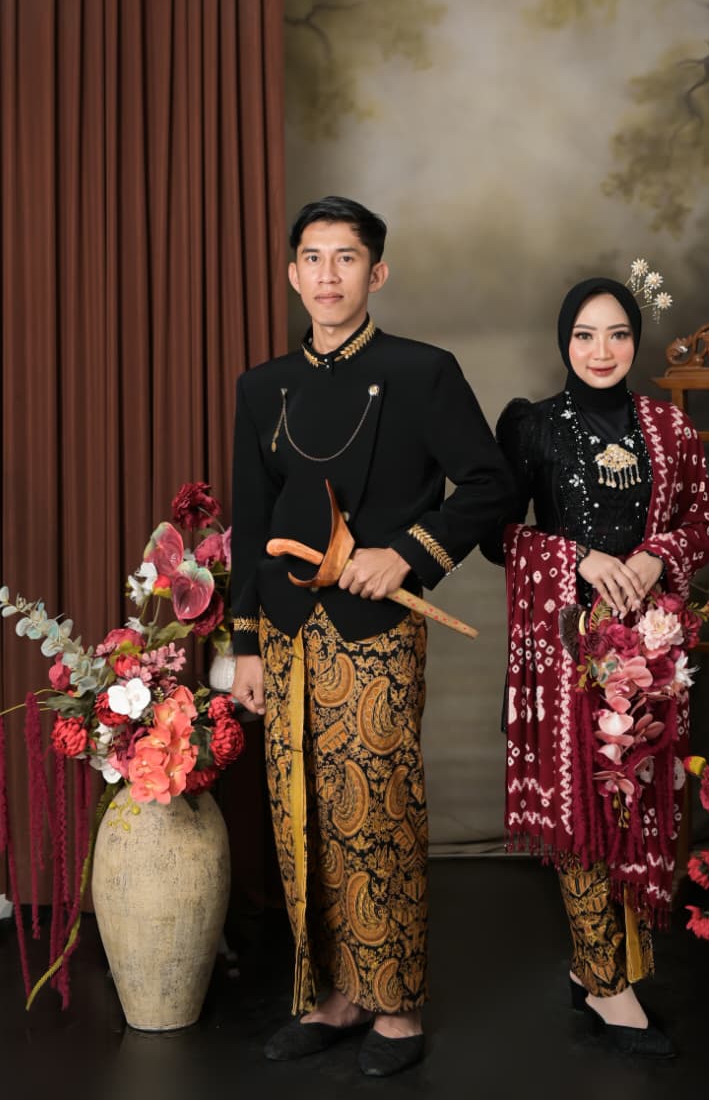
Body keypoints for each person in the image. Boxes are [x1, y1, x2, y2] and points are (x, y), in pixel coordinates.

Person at [230, 195, 514, 1076]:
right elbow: (251, 522)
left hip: (376, 631)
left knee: (378, 812)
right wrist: (244, 644)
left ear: (376, 272)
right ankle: (335, 996)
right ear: (292, 274)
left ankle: (395, 1003)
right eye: (313, 259)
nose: (328, 275)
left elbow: (490, 483)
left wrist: (408, 555)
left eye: (346, 258)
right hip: (286, 631)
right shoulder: (262, 387)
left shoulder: (424, 372)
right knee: (301, 819)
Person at [483, 277, 709, 1058]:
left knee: (635, 801)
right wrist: (576, 558)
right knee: (583, 805)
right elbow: (497, 534)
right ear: (565, 341)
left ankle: (601, 968)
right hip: (566, 650)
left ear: (635, 341)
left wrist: (659, 556)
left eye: (617, 334)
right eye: (585, 335)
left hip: (649, 646)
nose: (601, 350)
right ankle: (608, 985)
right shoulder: (533, 427)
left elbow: (704, 518)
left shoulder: (668, 427)